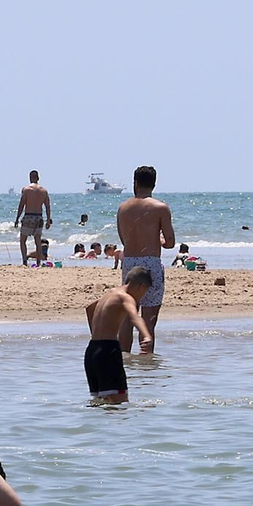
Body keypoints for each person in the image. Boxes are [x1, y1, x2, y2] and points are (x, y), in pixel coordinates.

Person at [116, 165, 175, 352]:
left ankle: (124, 358)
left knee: (127, 316)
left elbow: (123, 239)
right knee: (148, 320)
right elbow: (170, 243)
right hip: (151, 263)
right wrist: (157, 240)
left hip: (130, 263)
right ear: (154, 184)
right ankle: (146, 363)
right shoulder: (160, 208)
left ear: (135, 183)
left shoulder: (123, 208)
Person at [85, 269, 155, 403]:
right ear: (141, 286)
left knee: (100, 403)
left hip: (92, 350)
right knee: (119, 404)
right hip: (108, 351)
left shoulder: (110, 293)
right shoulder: (126, 298)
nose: (142, 296)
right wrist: (147, 336)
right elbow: (134, 317)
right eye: (145, 292)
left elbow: (89, 308)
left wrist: (95, 333)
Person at [14, 170, 53, 265]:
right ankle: (38, 262)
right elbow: (47, 206)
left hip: (28, 216)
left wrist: (17, 218)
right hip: (39, 217)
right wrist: (48, 220)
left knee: (23, 240)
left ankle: (24, 261)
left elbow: (21, 205)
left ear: (30, 178)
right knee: (38, 242)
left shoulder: (26, 189)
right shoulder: (44, 191)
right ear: (38, 178)